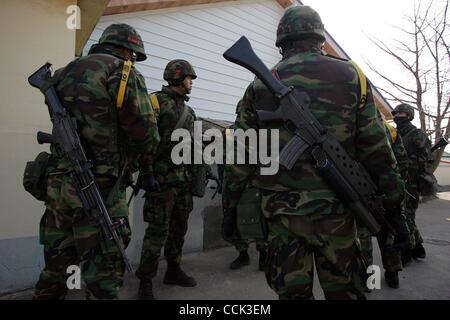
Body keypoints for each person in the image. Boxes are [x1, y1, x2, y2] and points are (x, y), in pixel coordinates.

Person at [222, 5, 405, 300]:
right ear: (320, 39)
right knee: (346, 293)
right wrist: (394, 203)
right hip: (340, 214)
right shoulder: (351, 76)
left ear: (282, 42)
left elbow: (241, 156)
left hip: (282, 218)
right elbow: (377, 149)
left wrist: (229, 206)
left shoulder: (259, 84)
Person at [33, 23, 160, 300]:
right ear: (128, 50)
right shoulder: (122, 72)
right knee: (102, 276)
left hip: (59, 187)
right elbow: (145, 135)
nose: (133, 60)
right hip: (99, 187)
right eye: (134, 55)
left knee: (56, 271)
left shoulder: (64, 72)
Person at [136, 59, 198, 300]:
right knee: (157, 232)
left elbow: (189, 145)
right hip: (160, 181)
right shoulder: (155, 103)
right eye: (189, 78)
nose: (191, 82)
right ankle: (145, 281)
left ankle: (173, 269)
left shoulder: (189, 111)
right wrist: (147, 173)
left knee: (178, 229)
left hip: (182, 180)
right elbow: (143, 141)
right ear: (177, 77)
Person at [358, 121, 410, 289]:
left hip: (359, 184)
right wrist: (396, 186)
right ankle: (392, 272)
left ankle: (367, 279)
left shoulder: (353, 119)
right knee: (387, 232)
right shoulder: (390, 129)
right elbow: (402, 160)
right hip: (386, 185)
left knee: (363, 233)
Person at [391, 103, 431, 263]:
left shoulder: (417, 134)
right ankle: (418, 246)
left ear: (409, 115)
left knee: (406, 215)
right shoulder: (393, 134)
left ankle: (406, 252)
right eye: (395, 113)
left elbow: (423, 158)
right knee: (403, 216)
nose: (397, 116)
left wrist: (405, 166)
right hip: (395, 181)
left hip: (411, 183)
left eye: (401, 114)